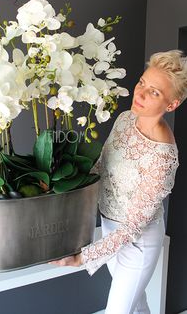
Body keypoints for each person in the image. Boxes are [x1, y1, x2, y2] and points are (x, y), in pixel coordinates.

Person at [49, 50, 187, 314]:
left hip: (137, 242)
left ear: (172, 105)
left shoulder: (164, 156)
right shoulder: (125, 119)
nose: (141, 94)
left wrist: (83, 258)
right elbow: (101, 166)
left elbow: (134, 225)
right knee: (136, 306)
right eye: (142, 83)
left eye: (155, 92)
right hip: (109, 228)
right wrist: (63, 184)